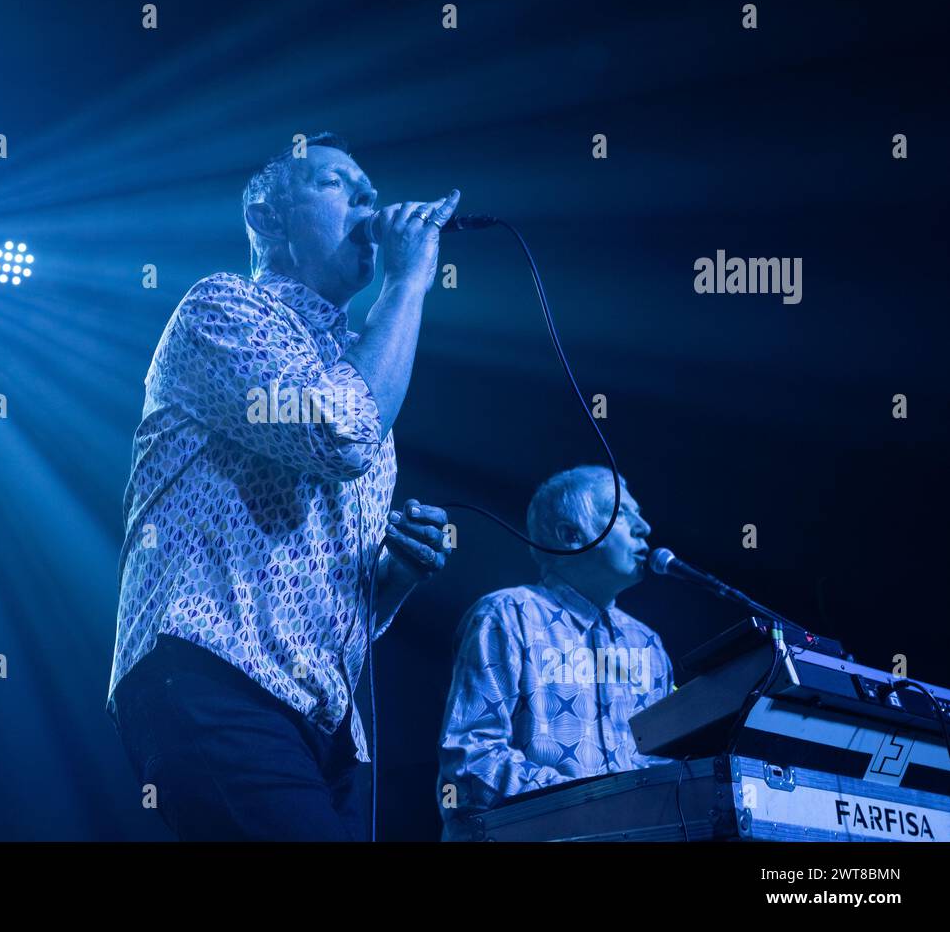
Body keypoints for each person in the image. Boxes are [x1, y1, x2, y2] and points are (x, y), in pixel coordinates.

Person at [109, 132, 458, 840]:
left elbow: (330, 588)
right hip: (212, 672)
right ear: (268, 219)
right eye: (338, 183)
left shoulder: (350, 366)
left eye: (370, 184)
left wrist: (396, 576)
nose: (369, 197)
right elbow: (343, 433)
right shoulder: (224, 308)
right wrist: (408, 281)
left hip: (322, 716)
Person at [437, 465, 675, 840]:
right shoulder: (507, 615)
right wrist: (597, 805)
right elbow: (472, 762)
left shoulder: (647, 643)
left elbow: (664, 765)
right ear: (570, 535)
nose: (643, 525)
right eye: (623, 513)